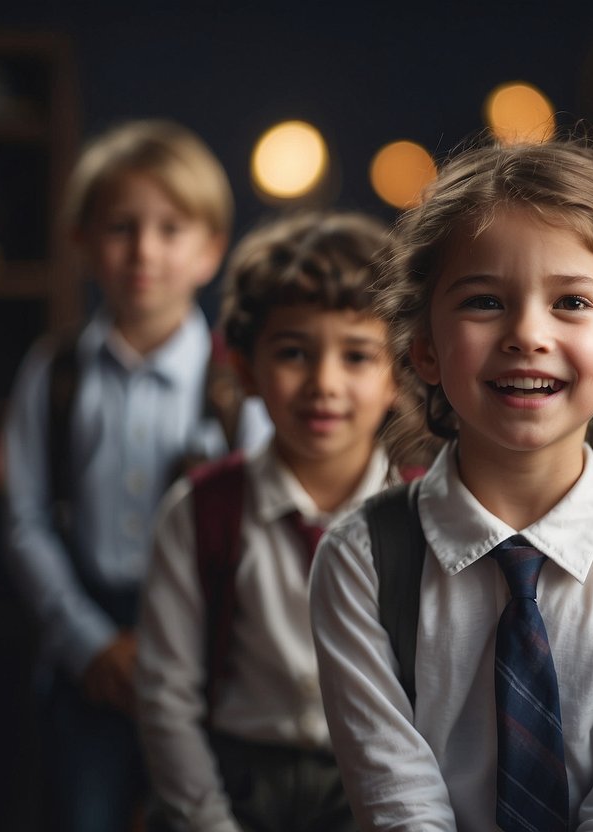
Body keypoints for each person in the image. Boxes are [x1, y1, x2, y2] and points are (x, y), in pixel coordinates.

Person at [308, 139, 593, 830]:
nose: (527, 333)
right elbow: (398, 805)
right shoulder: (358, 561)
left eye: (572, 302)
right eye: (485, 301)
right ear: (425, 350)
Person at [2, 119, 270, 832]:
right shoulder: (52, 375)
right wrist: (89, 642)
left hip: (206, 655)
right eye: (120, 227)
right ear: (83, 243)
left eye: (170, 228)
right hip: (87, 652)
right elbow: (26, 523)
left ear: (210, 251)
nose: (144, 250)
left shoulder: (239, 388)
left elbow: (262, 518)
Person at [134, 210, 404, 832]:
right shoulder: (199, 511)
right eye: (292, 353)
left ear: (401, 372)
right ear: (246, 368)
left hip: (377, 786)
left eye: (358, 356)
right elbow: (166, 700)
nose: (324, 383)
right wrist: (208, 821)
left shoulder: (426, 516)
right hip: (235, 785)